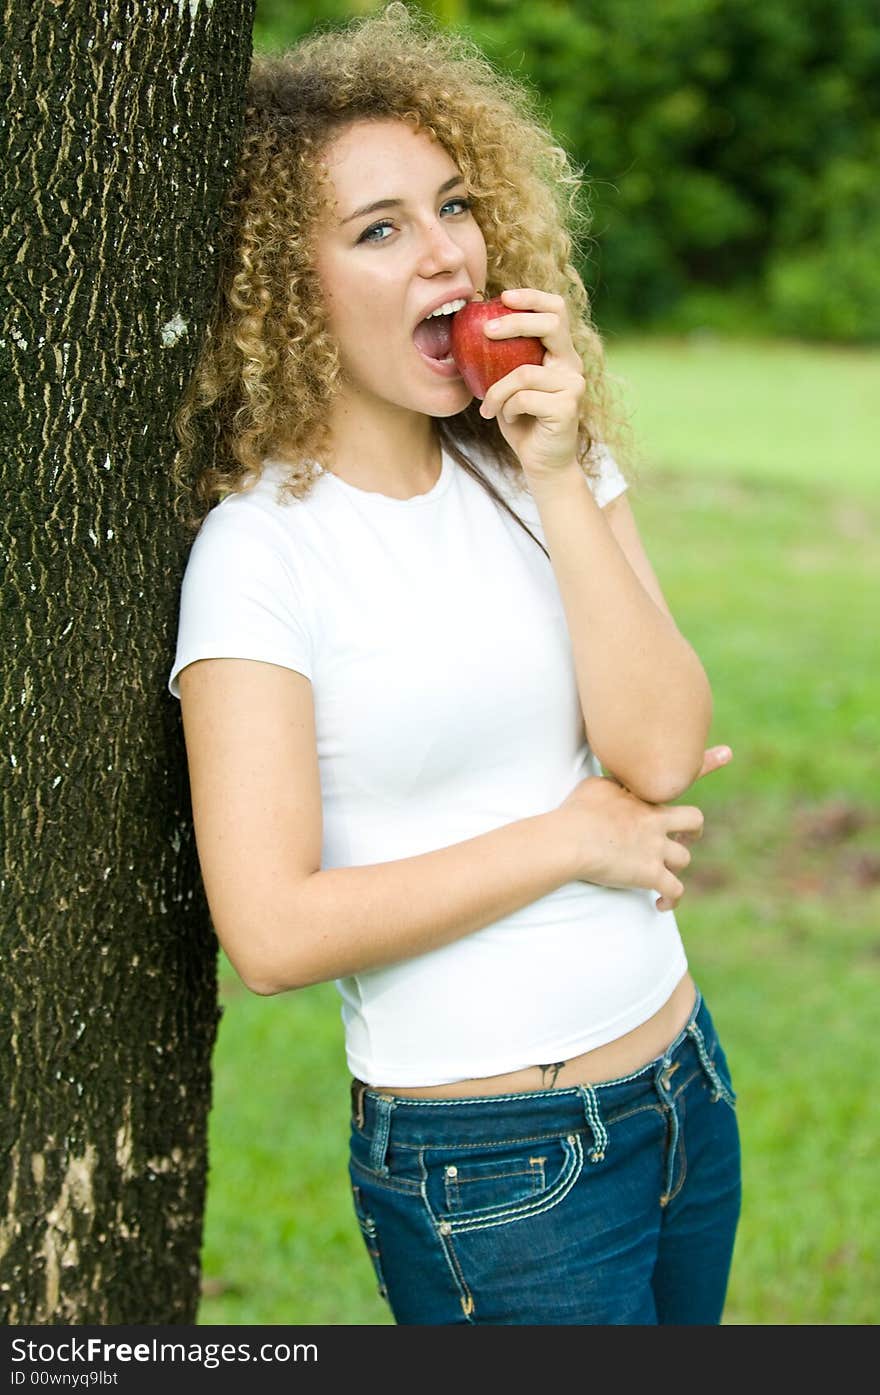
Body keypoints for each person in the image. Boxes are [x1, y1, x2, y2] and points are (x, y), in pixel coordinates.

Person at [168, 4, 741, 1325]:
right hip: (497, 1170)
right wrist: (567, 841)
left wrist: (554, 471)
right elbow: (270, 930)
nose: (447, 257)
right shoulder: (266, 555)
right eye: (380, 230)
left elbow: (658, 748)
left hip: (681, 1086)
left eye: (455, 206)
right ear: (284, 280)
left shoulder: (538, 449)